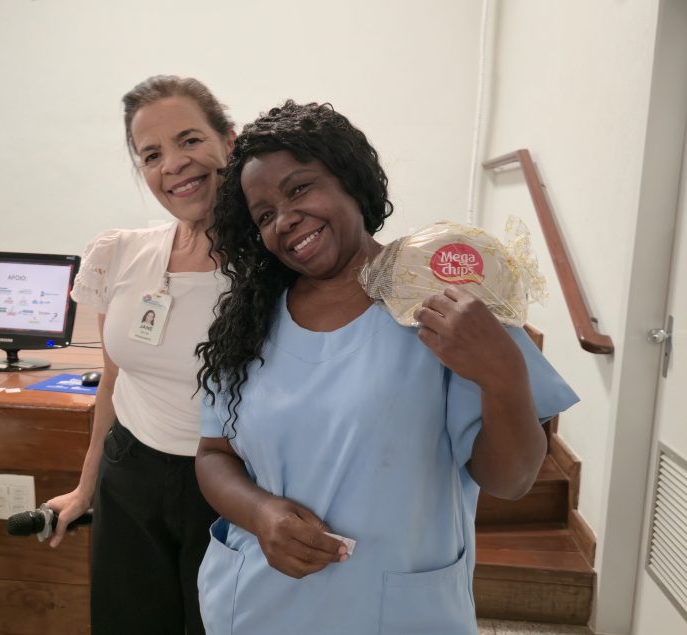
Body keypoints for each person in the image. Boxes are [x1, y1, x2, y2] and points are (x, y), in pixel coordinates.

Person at [194, 101, 578, 635]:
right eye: (264, 215)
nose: (285, 219)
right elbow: (214, 454)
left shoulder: (442, 298)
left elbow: (510, 480)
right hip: (261, 604)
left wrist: (504, 376)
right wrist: (259, 514)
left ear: (350, 179)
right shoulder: (248, 324)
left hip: (398, 613)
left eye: (299, 189)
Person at [47, 75, 235, 635]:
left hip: (230, 487)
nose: (173, 164)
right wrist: (86, 487)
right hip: (129, 476)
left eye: (189, 140)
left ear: (229, 140)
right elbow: (113, 381)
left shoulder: (273, 264)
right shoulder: (120, 253)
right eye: (151, 155)